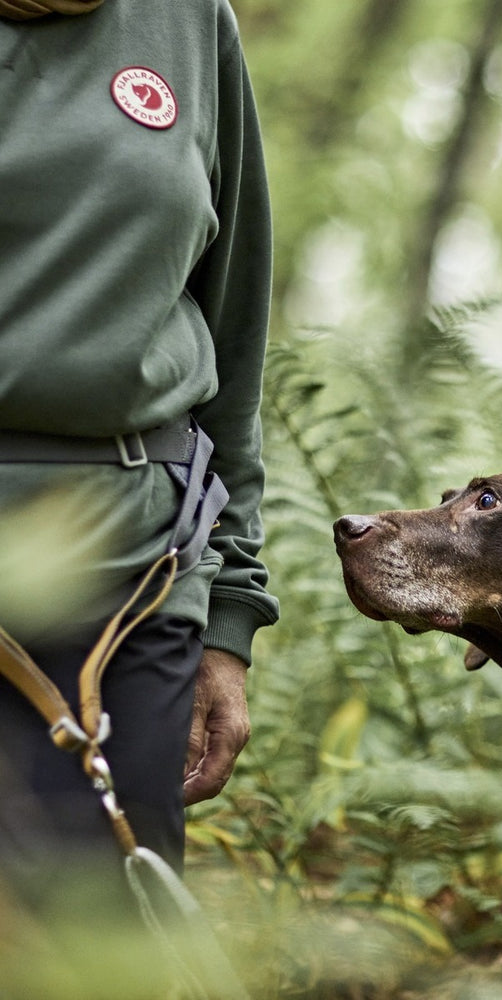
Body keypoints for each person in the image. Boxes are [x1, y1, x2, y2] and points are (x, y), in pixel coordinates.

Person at [0, 0, 279, 919]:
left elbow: (233, 346)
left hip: (135, 575)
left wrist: (229, 613)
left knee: (109, 942)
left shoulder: (190, 22)